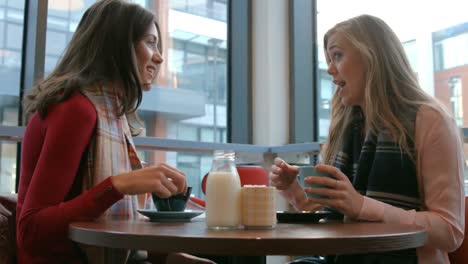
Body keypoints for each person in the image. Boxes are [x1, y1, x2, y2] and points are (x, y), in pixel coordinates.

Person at [16, 1, 214, 264]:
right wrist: (119, 185)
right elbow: (31, 232)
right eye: (150, 42)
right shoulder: (76, 110)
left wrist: (162, 256)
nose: (160, 56)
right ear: (117, 48)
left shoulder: (109, 113)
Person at [270, 14, 464, 264]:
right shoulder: (345, 126)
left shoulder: (430, 120)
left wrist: (362, 206)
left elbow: (449, 232)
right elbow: (336, 217)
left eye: (337, 56)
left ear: (372, 56)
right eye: (329, 59)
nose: (329, 69)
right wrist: (294, 191)